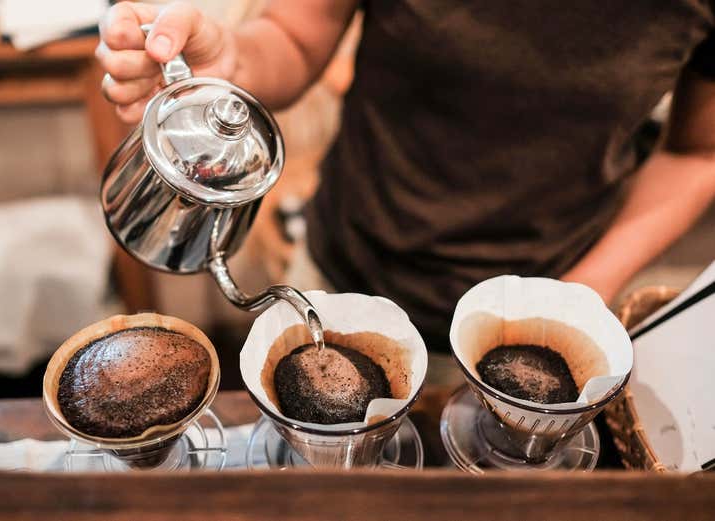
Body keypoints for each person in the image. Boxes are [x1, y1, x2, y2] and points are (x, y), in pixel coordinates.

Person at [97, 0, 715, 357]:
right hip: (350, 265)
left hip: (545, 299)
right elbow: (293, 36)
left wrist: (579, 293)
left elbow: (699, 154)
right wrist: (231, 60)